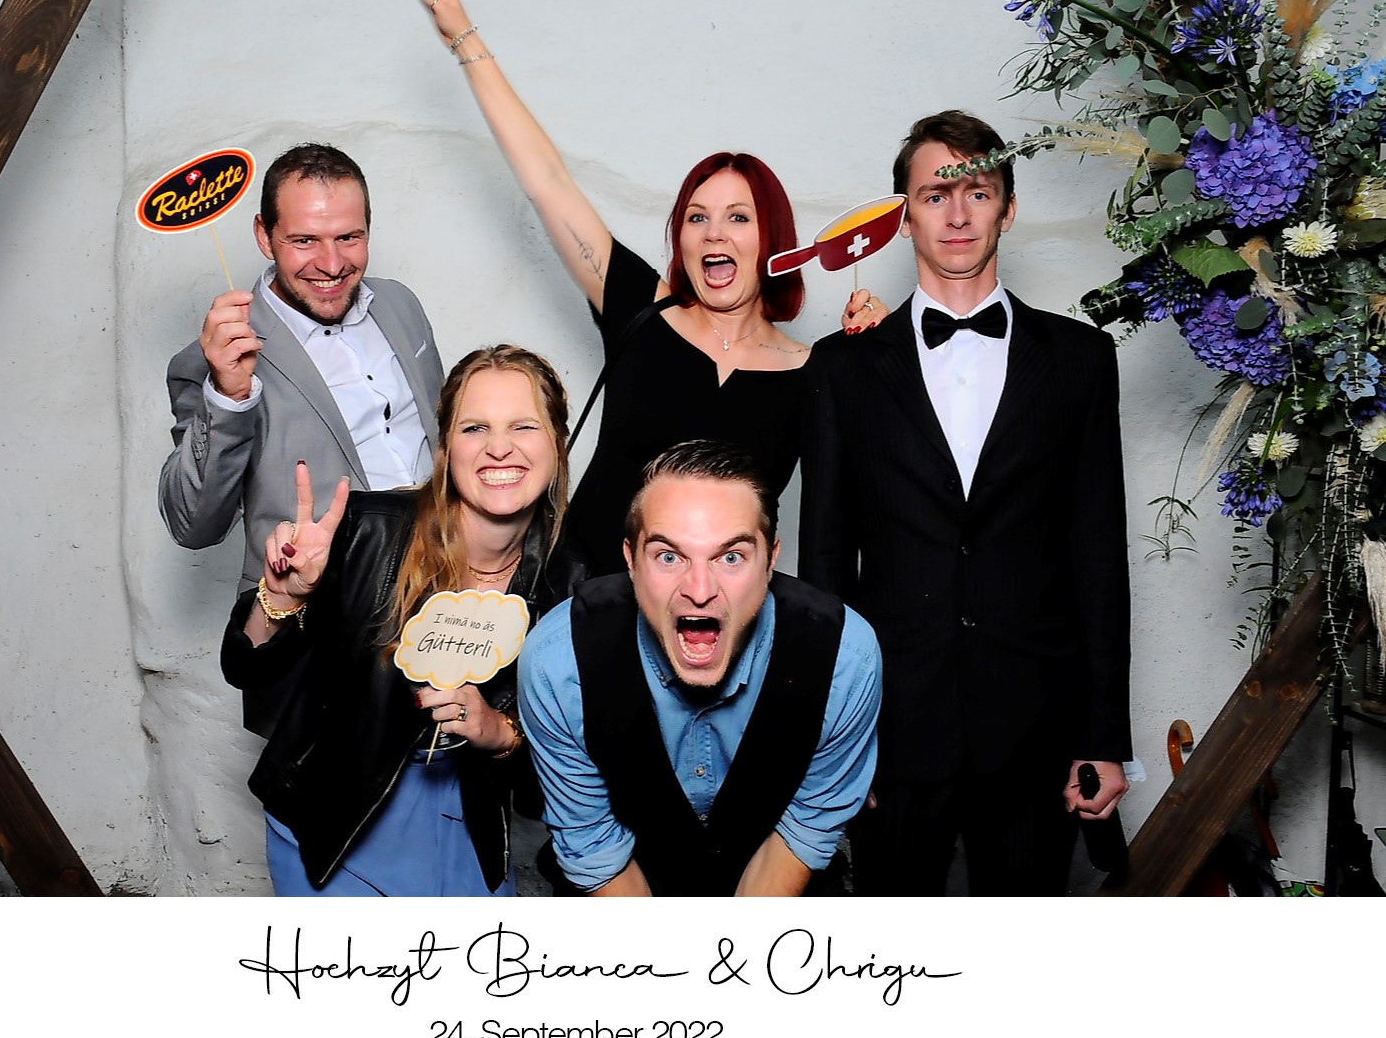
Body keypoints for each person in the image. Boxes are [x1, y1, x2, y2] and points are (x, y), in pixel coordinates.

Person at [799, 110, 1132, 896]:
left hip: (1037, 732)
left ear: (1007, 209)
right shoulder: (842, 369)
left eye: (977, 192)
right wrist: (835, 742)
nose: (956, 215)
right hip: (889, 730)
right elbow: (824, 571)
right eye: (934, 195)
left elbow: (1098, 557)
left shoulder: (1080, 360)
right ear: (903, 216)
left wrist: (1104, 735)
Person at [414, 0, 814, 577]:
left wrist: (877, 333)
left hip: (717, 615)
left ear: (772, 239)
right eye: (697, 217)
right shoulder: (641, 309)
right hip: (585, 601)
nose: (714, 233)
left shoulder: (815, 373)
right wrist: (463, 36)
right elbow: (548, 181)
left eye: (738, 217)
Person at [220, 345, 583, 896]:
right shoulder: (368, 531)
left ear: (557, 442)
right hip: (334, 827)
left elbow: (567, 771)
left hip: (470, 827)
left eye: (524, 426)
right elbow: (247, 669)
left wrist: (499, 733)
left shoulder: (572, 581)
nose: (499, 447)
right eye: (475, 428)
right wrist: (283, 596)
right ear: (446, 447)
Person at [518, 440, 881, 896]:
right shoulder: (557, 662)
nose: (700, 589)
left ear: (770, 559)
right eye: (669, 556)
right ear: (631, 560)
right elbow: (592, 845)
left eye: (731, 557)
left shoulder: (845, 658)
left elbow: (807, 827)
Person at [159, 142, 444, 593]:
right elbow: (193, 526)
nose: (331, 265)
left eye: (348, 238)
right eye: (304, 240)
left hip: (447, 580)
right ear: (264, 235)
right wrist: (229, 396)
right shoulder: (213, 360)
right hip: (319, 606)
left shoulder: (399, 303)